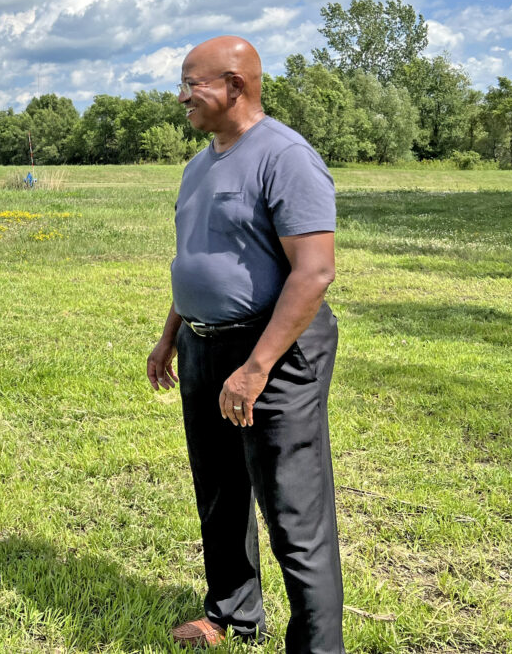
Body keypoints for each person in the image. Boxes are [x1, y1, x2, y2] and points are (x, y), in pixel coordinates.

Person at [147, 36, 344, 653]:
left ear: (235, 85)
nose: (182, 97)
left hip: (273, 352)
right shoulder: (199, 164)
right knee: (220, 491)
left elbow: (314, 271)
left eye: (192, 84)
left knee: (293, 511)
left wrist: (257, 367)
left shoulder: (286, 156)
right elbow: (198, 257)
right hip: (203, 346)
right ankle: (232, 614)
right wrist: (171, 335)